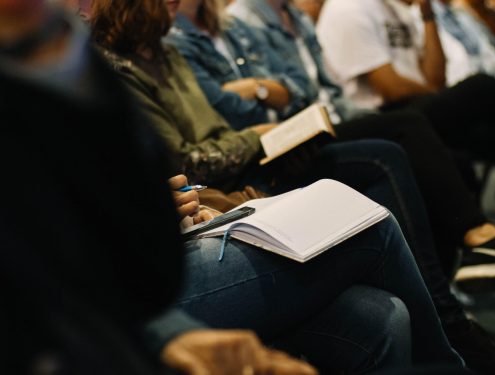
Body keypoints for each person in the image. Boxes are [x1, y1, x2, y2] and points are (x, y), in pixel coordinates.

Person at [89, 0, 467, 371]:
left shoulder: (169, 51)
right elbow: (186, 160)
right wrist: (256, 133)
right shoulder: (112, 69)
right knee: (372, 220)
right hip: (136, 278)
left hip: (185, 229)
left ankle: (455, 316)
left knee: (386, 317)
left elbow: (287, 92)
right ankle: (456, 344)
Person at [0, 1, 317, 374]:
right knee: (373, 235)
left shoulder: (103, 57)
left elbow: (140, 269)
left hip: (127, 300)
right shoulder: (111, 63)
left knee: (376, 316)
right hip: (88, 326)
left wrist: (165, 333)